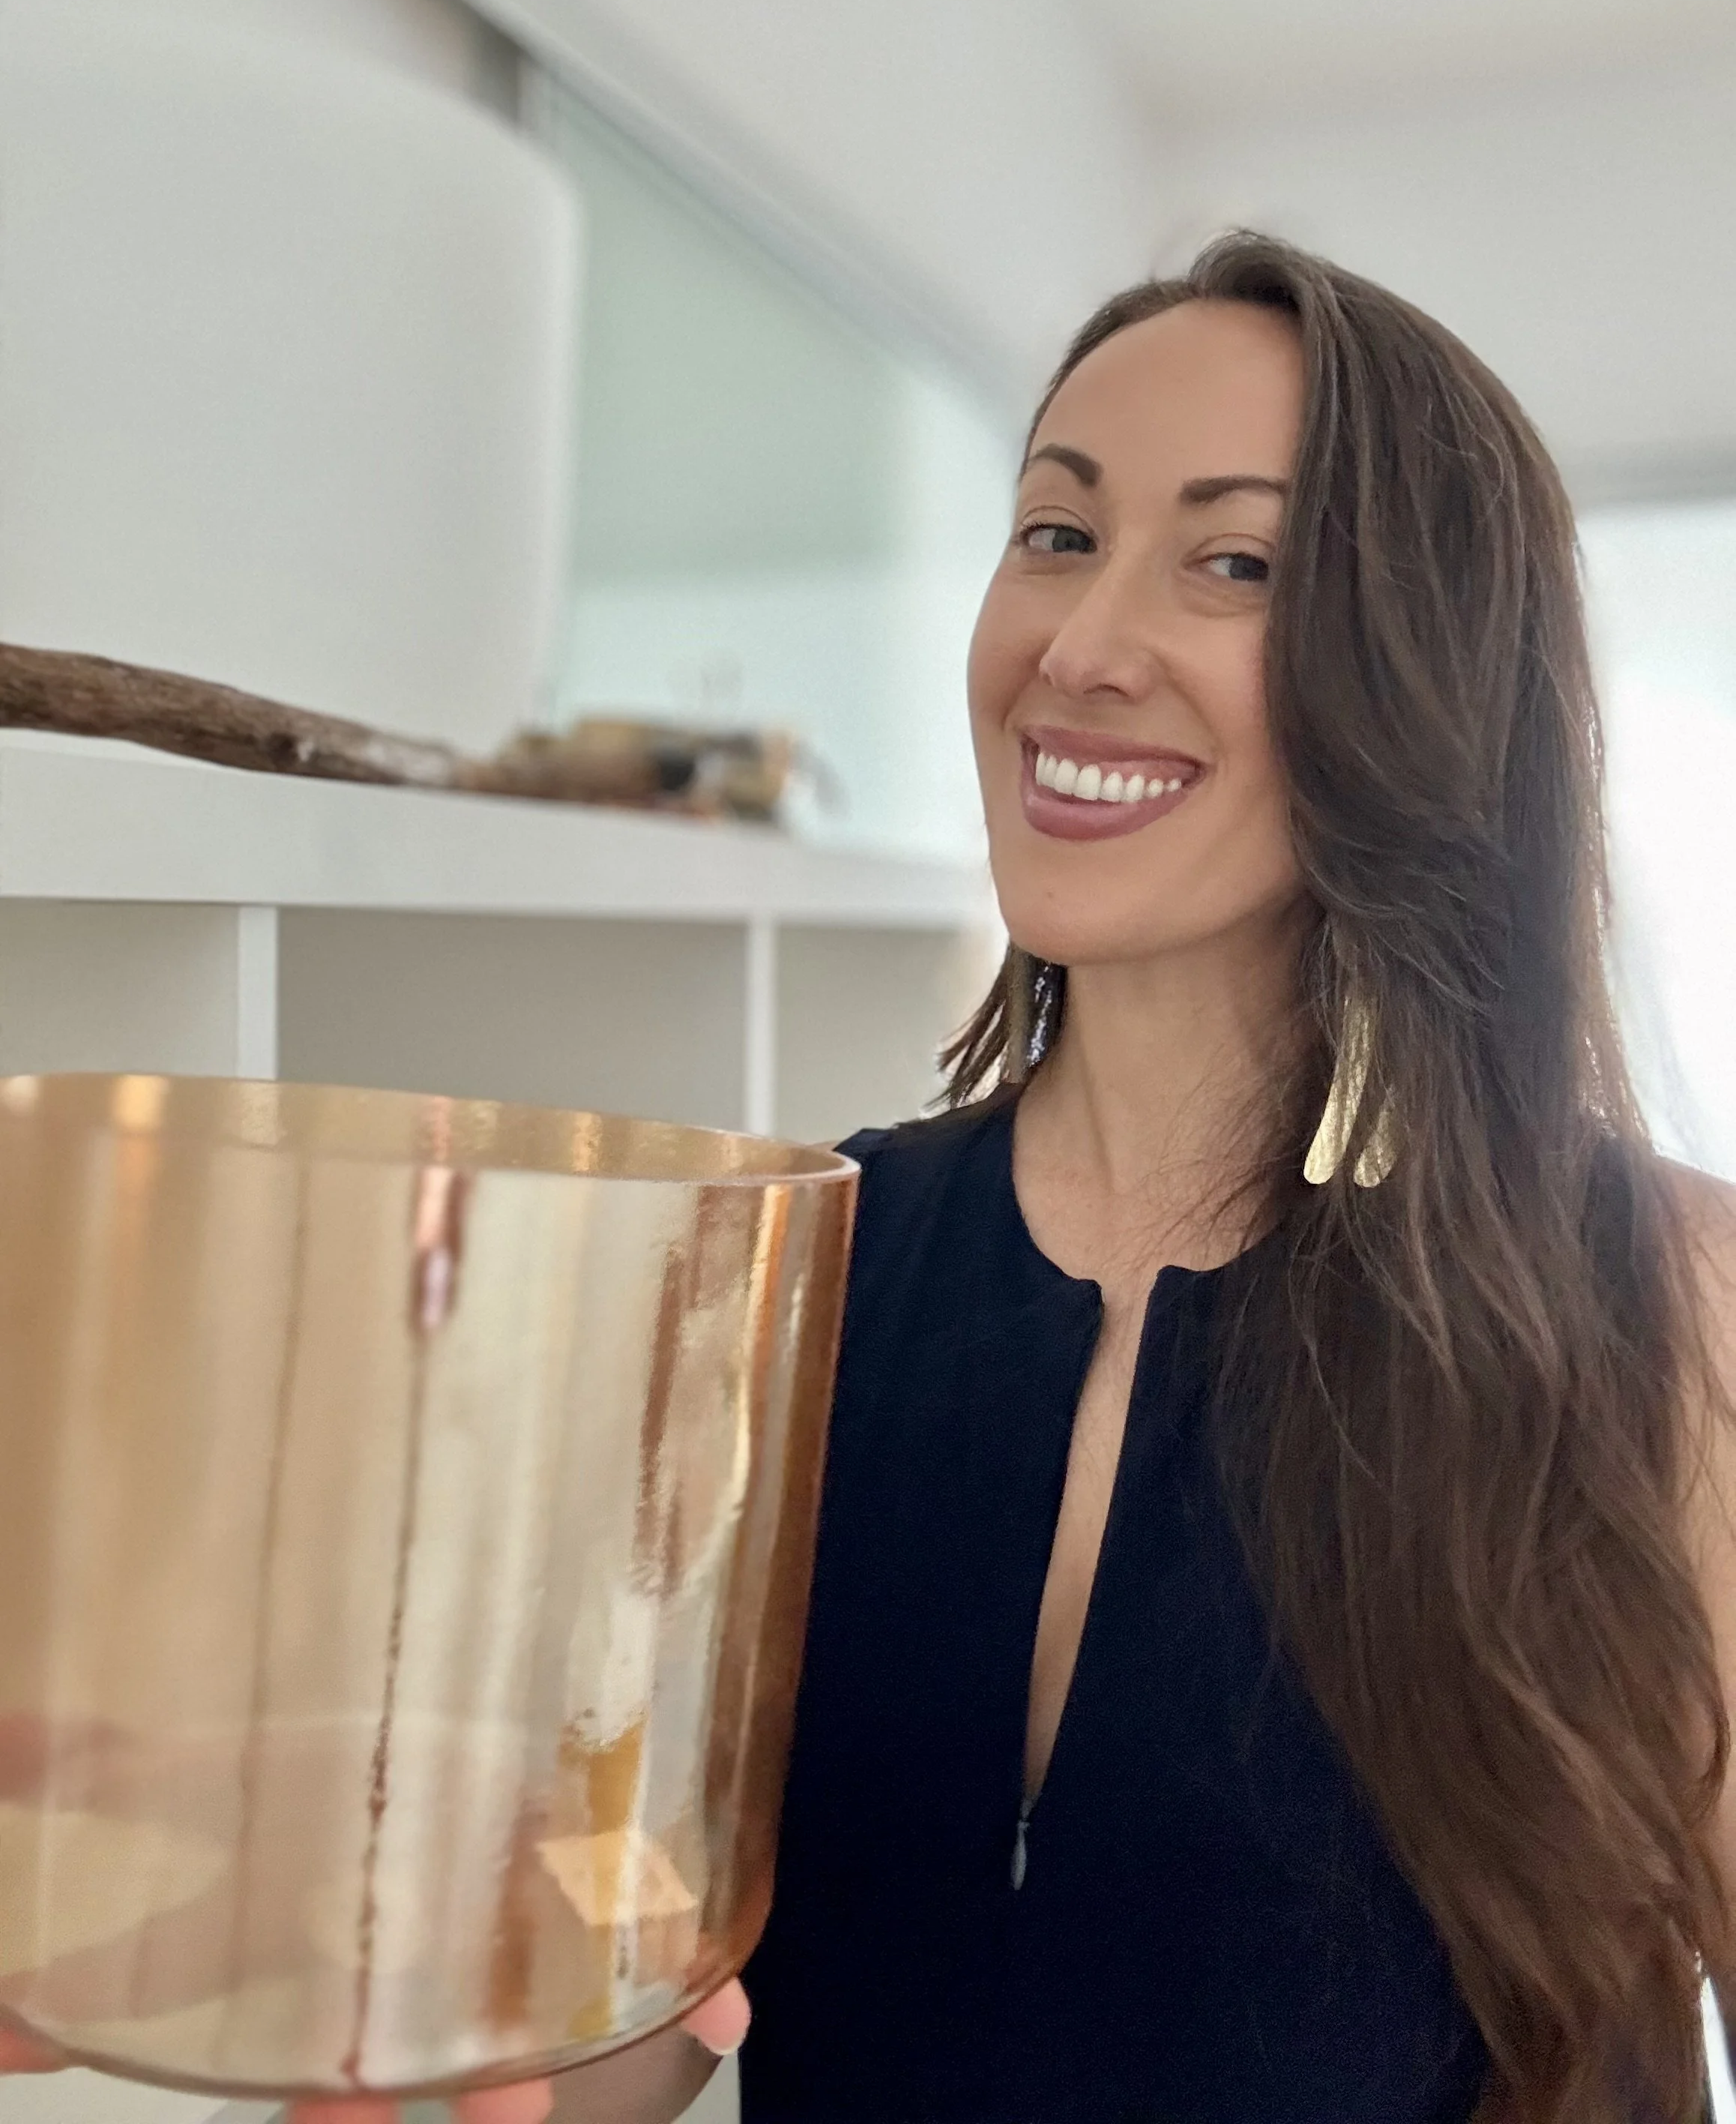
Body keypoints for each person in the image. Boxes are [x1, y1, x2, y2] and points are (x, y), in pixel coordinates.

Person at [7, 234, 1735, 2122]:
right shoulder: (787, 1274)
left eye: (1234, 561)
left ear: (1423, 670)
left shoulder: (1663, 1312)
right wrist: (352, 1984)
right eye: (1056, 534)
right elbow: (659, 2007)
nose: (1081, 646)